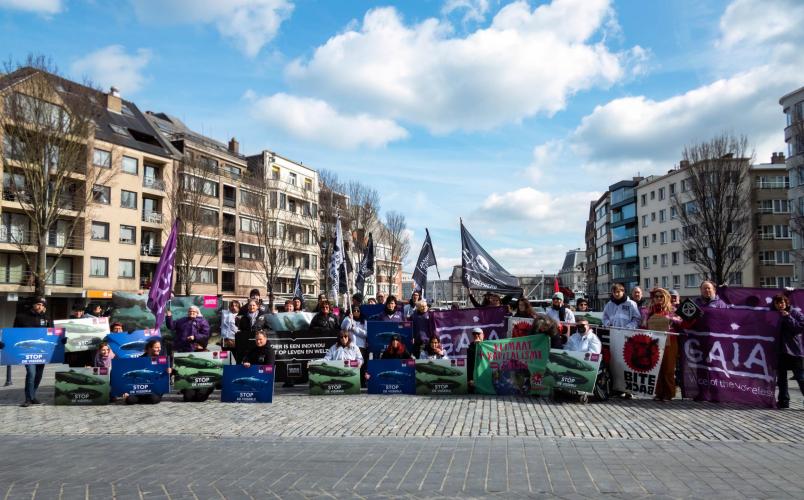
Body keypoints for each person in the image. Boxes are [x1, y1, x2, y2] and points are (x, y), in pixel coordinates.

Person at [166, 306, 213, 402]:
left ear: (197, 312)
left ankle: (196, 387)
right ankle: (184, 388)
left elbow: (206, 334)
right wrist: (169, 317)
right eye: (190, 311)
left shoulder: (202, 321)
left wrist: (195, 337)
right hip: (182, 348)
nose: (191, 312)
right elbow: (171, 326)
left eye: (193, 311)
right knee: (182, 370)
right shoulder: (182, 320)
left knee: (194, 369)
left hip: (195, 350)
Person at [643, 288, 683, 402]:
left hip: (670, 342)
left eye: (661, 296)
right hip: (654, 343)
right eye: (656, 296)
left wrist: (671, 319)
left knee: (669, 368)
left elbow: (681, 322)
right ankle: (658, 392)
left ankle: (669, 393)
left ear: (666, 297)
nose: (659, 298)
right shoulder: (649, 311)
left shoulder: (672, 310)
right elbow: (643, 326)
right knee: (657, 368)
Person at [14, 297, 55, 407]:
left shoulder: (47, 318)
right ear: (33, 305)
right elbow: (14, 333)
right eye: (38, 304)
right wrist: (5, 343)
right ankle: (28, 399)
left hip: (42, 352)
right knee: (31, 373)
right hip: (28, 352)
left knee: (38, 375)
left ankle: (33, 395)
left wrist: (61, 340)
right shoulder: (21, 317)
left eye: (42, 305)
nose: (40, 306)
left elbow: (52, 334)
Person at [771, 294, 804, 409]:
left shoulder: (795, 313)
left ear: (786, 302)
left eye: (782, 302)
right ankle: (783, 401)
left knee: (800, 377)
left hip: (794, 351)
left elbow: (800, 328)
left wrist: (788, 316)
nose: (780, 305)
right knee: (782, 379)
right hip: (780, 351)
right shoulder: (774, 314)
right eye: (777, 303)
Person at [124, 338, 170, 405]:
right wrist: (127, 392)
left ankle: (144, 399)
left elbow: (164, 377)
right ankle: (141, 398)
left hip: (154, 389)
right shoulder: (138, 360)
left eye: (160, 347)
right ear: (149, 348)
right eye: (156, 347)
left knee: (153, 399)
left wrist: (169, 371)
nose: (159, 349)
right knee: (129, 400)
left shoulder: (162, 359)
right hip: (139, 390)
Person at [341, 305, 368, 384]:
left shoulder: (364, 321)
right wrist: (349, 319)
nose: (356, 312)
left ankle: (362, 382)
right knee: (351, 364)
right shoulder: (347, 319)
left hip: (361, 346)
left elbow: (365, 334)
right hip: (350, 346)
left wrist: (355, 329)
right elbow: (343, 327)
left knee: (360, 365)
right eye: (354, 310)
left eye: (358, 311)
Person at [466, 327, 484, 393]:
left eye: (478, 334)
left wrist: (481, 345)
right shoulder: (470, 348)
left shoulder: (488, 346)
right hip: (474, 378)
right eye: (474, 334)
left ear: (483, 335)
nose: (476, 336)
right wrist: (470, 379)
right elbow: (470, 364)